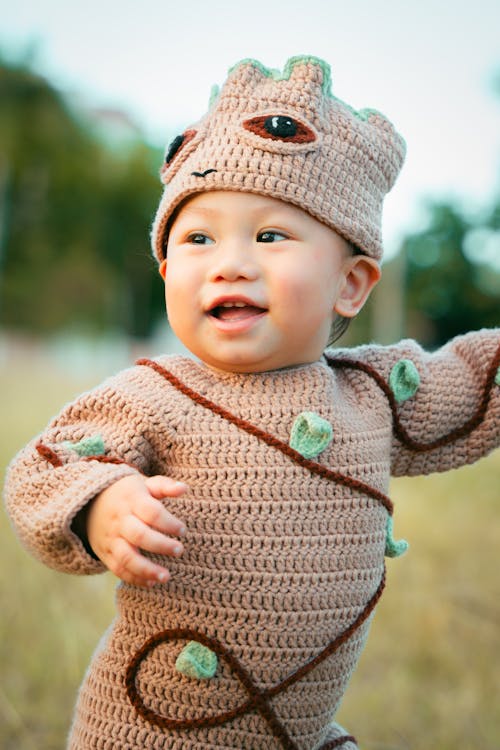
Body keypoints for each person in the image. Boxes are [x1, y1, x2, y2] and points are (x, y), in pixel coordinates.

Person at [4, 55, 499, 750]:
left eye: (270, 235)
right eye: (198, 238)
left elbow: (474, 379)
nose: (229, 262)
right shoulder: (158, 393)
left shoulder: (374, 393)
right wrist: (99, 503)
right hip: (150, 732)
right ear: (169, 271)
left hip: (299, 733)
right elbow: (44, 468)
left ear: (351, 285)